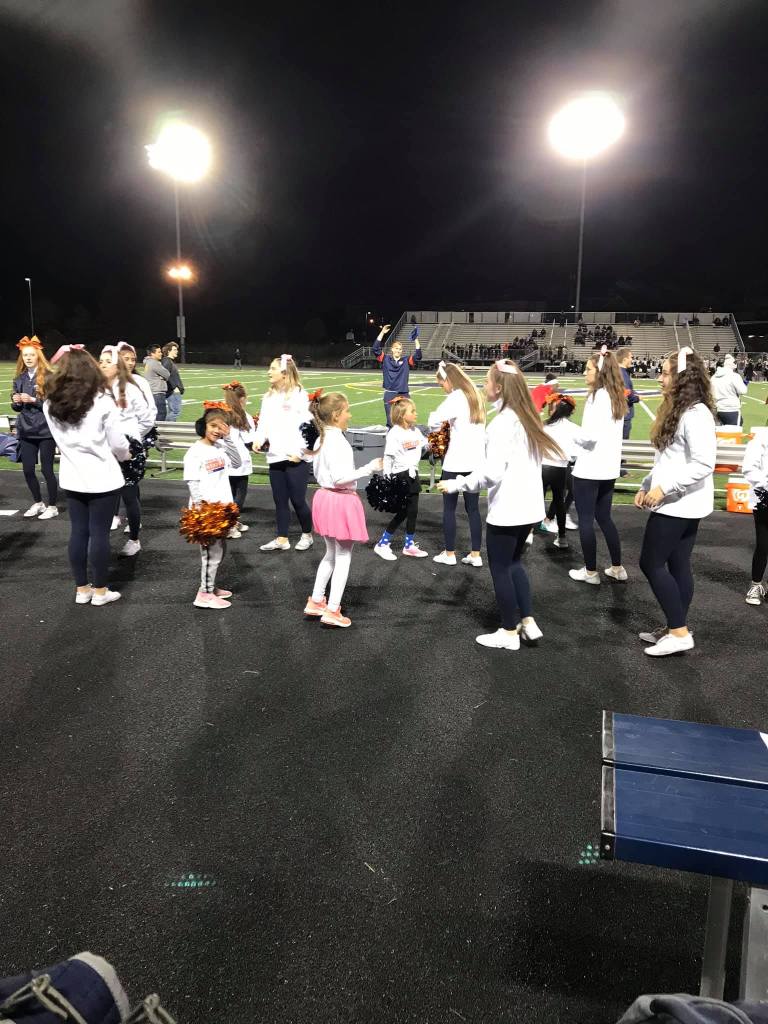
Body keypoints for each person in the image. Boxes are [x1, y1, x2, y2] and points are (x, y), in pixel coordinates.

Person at [438, 360, 563, 651]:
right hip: (530, 507)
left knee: (500, 568)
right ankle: (527, 621)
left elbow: (491, 474)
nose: (484, 386)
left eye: (487, 381)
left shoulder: (503, 423)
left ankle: (508, 632)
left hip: (509, 508)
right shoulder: (527, 417)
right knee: (515, 563)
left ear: (499, 387)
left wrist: (457, 483)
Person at [635, 348, 716, 656]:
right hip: (679, 500)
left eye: (665, 373)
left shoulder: (696, 414)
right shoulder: (680, 410)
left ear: (683, 379)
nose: (659, 378)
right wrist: (647, 484)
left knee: (650, 563)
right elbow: (667, 459)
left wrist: (664, 488)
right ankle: (675, 626)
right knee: (678, 563)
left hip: (679, 503)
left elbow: (703, 463)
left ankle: (680, 633)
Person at [43, 346, 130, 606]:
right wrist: (126, 455)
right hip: (103, 477)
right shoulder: (102, 401)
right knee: (99, 534)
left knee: (78, 532)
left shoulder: (50, 404)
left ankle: (82, 589)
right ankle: (101, 591)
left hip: (72, 476)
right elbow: (118, 444)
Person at [304, 393, 383, 627]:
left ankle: (316, 600)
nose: (349, 415)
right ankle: (332, 609)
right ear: (337, 415)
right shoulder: (337, 441)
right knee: (343, 556)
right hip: (340, 499)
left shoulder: (321, 439)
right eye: (347, 410)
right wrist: (369, 468)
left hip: (324, 497)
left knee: (330, 553)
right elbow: (340, 478)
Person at [569, 347, 629, 585]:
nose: (585, 373)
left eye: (588, 369)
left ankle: (591, 572)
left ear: (600, 372)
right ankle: (617, 567)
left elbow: (589, 437)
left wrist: (568, 433)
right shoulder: (616, 396)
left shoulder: (597, 397)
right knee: (604, 517)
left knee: (585, 519)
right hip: (608, 468)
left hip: (590, 468)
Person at [183, 405, 242, 609]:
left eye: (221, 426)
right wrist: (202, 510)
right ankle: (204, 594)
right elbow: (192, 482)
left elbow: (237, 462)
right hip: (207, 511)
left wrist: (229, 438)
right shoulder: (195, 451)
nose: (217, 430)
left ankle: (210, 586)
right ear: (204, 426)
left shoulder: (220, 447)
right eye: (213, 425)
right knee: (211, 554)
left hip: (222, 508)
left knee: (220, 551)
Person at [253, 354, 314, 552]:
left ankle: (307, 534)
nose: (268, 372)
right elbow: (263, 423)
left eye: (272, 368)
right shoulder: (268, 397)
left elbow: (309, 427)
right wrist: (259, 439)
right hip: (276, 455)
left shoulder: (300, 395)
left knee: (298, 500)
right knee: (280, 501)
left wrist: (300, 453)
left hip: (295, 457)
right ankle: (282, 539)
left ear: (285, 373)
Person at [428, 362, 486, 567]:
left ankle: (449, 553)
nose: (442, 388)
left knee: (449, 509)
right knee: (473, 509)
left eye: (441, 384)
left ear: (448, 380)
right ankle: (476, 555)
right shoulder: (475, 395)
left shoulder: (455, 397)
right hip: (476, 461)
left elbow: (434, 421)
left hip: (456, 460)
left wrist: (441, 429)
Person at [99, 346, 156, 557]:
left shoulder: (131, 388)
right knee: (104, 496)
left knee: (129, 495)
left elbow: (147, 419)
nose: (103, 365)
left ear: (117, 365)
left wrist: (131, 438)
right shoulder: (96, 389)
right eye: (101, 361)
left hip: (127, 450)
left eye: (108, 361)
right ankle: (101, 538)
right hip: (103, 450)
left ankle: (134, 539)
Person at [374, 397, 430, 560]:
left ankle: (409, 545)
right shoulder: (395, 433)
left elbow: (425, 445)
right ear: (402, 415)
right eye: (413, 411)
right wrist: (387, 480)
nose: (416, 414)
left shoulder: (415, 431)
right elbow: (388, 458)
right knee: (403, 511)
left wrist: (435, 441)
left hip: (413, 475)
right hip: (400, 476)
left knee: (413, 511)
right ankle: (382, 543)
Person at [10, 335, 59, 519]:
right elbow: (17, 408)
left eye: (31, 354)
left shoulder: (49, 376)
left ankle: (52, 506)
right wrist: (16, 402)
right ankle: (38, 502)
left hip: (45, 430)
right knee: (28, 469)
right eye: (25, 355)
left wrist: (33, 400)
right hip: (26, 429)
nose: (28, 358)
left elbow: (54, 405)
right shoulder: (19, 378)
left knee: (47, 470)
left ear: (38, 355)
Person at [539, 394, 581, 548]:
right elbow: (587, 444)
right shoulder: (573, 428)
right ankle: (562, 537)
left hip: (542, 467)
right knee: (559, 502)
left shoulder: (543, 425)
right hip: (560, 469)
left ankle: (527, 534)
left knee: (536, 501)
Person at [221, 380, 257, 536]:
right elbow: (249, 440)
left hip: (223, 458)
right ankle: (230, 524)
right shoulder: (243, 416)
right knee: (239, 494)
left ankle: (232, 522)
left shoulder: (220, 413)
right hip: (239, 460)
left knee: (227, 493)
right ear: (242, 399)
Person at [372, 324, 422, 427]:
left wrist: (416, 339)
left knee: (408, 419)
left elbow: (418, 356)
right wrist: (382, 333)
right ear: (392, 349)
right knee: (391, 421)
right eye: (396, 348)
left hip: (404, 393)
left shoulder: (406, 360)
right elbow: (375, 349)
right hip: (390, 393)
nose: (398, 350)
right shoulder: (385, 359)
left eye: (400, 349)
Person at [742, 426, 768, 607]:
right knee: (763, 544)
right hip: (764, 498)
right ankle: (756, 585)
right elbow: (749, 469)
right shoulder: (760, 439)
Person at [711, 355, 747, 425]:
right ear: (732, 364)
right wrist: (744, 384)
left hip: (717, 408)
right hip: (731, 409)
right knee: (734, 431)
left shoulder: (714, 377)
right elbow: (743, 391)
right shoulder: (734, 376)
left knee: (719, 431)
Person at [616, 347, 639, 441]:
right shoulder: (622, 373)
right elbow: (626, 394)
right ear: (625, 359)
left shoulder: (617, 371)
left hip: (618, 413)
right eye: (631, 357)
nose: (632, 360)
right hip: (624, 414)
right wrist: (637, 398)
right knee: (623, 443)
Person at [144, 344, 171, 421]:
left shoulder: (148, 362)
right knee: (161, 415)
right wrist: (162, 377)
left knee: (155, 415)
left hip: (153, 392)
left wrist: (160, 377)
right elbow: (167, 374)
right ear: (152, 353)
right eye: (159, 352)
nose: (161, 353)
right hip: (157, 393)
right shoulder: (154, 363)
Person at [162, 342, 185, 422]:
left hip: (173, 391)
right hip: (173, 392)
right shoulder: (167, 361)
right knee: (175, 412)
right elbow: (164, 375)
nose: (177, 351)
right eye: (174, 350)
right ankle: (166, 428)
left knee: (174, 412)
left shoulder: (169, 361)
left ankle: (165, 427)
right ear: (168, 351)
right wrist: (174, 387)